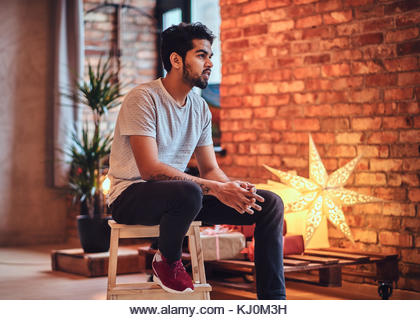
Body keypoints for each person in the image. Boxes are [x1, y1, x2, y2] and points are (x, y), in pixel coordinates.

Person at [107, 22, 285, 299]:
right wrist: (215, 188)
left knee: (269, 204)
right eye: (202, 55)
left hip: (182, 201)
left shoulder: (200, 107)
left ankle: (273, 302)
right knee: (189, 191)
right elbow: (150, 170)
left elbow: (211, 169)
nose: (210, 63)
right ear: (176, 60)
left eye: (210, 56)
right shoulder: (143, 99)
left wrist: (232, 188)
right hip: (130, 197)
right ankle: (167, 261)